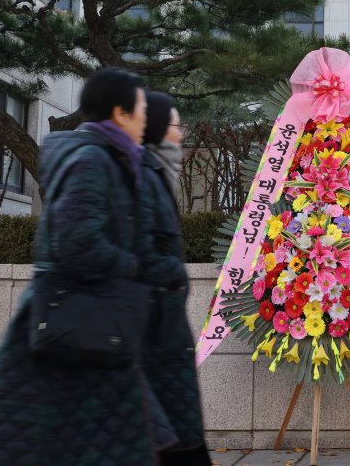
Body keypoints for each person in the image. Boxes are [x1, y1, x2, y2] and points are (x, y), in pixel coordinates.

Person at [0, 68, 166, 465]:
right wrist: (132, 265)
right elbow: (77, 243)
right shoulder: (92, 160)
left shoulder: (106, 157)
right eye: (141, 109)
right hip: (81, 324)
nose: (147, 118)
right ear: (119, 112)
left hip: (89, 323)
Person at [136, 91, 211, 466]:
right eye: (176, 126)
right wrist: (172, 278)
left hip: (163, 340)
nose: (181, 136)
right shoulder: (144, 179)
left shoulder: (156, 175)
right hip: (152, 342)